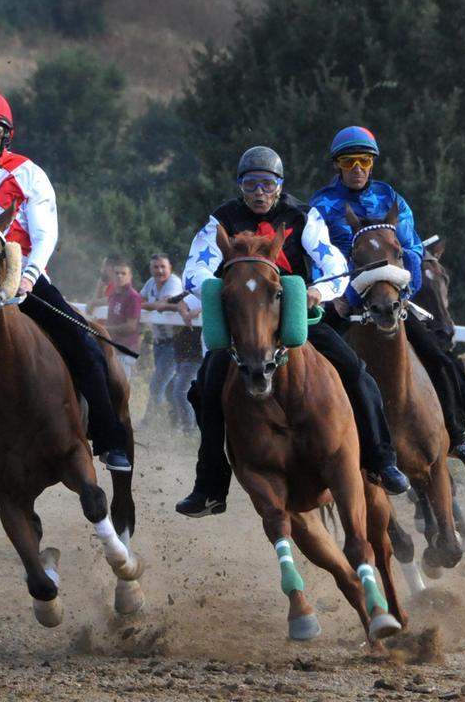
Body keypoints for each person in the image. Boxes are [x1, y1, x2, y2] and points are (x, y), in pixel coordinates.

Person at [0, 89, 130, 513]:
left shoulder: (30, 174)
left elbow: (45, 231)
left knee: (88, 348)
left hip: (25, 282)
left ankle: (108, 440)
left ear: (5, 136)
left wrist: (29, 276)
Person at [173, 145, 410, 519]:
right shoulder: (220, 219)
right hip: (245, 327)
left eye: (267, 184)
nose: (259, 192)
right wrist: (223, 288)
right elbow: (194, 269)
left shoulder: (302, 215)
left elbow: (330, 259)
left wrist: (320, 291)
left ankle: (382, 460)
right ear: (241, 187)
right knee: (204, 390)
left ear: (279, 186)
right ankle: (210, 487)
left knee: (355, 371)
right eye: (251, 184)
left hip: (296, 319)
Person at [310, 126, 465, 470]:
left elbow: (411, 249)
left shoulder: (391, 198)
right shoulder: (321, 205)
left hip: (389, 296)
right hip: (341, 300)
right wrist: (345, 294)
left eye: (364, 160)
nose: (358, 168)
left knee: (437, 356)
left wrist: (400, 290)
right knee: (309, 364)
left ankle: (458, 438)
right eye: (350, 161)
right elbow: (321, 256)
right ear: (338, 165)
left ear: (372, 164)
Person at [138, 253, 184, 419]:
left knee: (157, 385)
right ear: (150, 269)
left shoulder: (174, 282)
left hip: (174, 343)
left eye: (163, 266)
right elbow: (138, 299)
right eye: (155, 267)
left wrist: (140, 305)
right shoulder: (151, 283)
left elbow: (162, 304)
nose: (159, 270)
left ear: (170, 268)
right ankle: (176, 422)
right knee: (171, 386)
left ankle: (149, 422)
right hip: (159, 343)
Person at [104, 258, 142, 382]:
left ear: (130, 276)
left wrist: (104, 330)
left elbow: (131, 327)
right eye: (117, 273)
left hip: (126, 350)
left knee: (120, 388)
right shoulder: (114, 295)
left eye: (123, 273)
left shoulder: (133, 297)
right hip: (113, 349)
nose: (120, 276)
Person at [170, 296, 203, 432]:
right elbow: (177, 303)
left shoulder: (210, 292)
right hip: (182, 354)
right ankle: (185, 425)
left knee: (181, 392)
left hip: (196, 355)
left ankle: (189, 430)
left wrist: (200, 310)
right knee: (176, 391)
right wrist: (185, 313)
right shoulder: (190, 294)